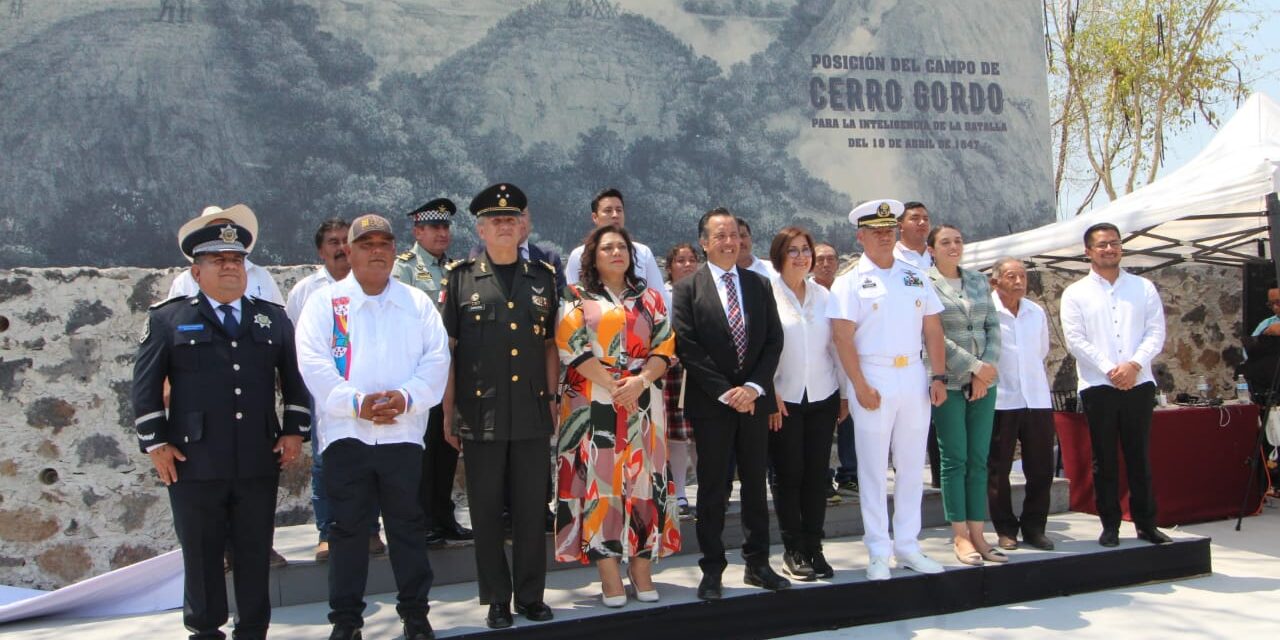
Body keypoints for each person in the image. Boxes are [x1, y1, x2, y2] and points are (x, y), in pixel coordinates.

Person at [132, 215, 310, 640]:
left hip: (256, 457)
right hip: (194, 460)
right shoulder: (168, 320)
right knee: (202, 554)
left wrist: (293, 431)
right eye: (217, 259)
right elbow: (145, 388)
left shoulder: (272, 319)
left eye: (237, 259)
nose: (230, 266)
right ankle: (205, 631)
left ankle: (253, 630)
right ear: (196, 271)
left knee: (253, 552)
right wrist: (156, 444)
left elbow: (295, 380)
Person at [294, 214, 449, 640]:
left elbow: (436, 362)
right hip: (348, 436)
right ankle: (346, 622)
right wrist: (356, 403)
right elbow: (313, 363)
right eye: (366, 244)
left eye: (384, 243)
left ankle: (415, 615)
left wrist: (407, 398)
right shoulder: (325, 304)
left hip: (402, 435)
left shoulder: (416, 303)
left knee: (408, 529)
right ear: (350, 251)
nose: (376, 251)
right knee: (348, 534)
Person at [441, 183, 560, 630]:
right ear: (482, 228)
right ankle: (496, 597)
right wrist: (448, 412)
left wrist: (551, 399)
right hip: (480, 413)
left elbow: (550, 346)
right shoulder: (460, 279)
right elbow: (448, 351)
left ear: (522, 225)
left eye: (512, 218)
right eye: (496, 220)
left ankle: (531, 595)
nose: (505, 225)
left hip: (531, 411)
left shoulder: (543, 278)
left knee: (532, 508)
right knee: (487, 512)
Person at [553, 225, 680, 607]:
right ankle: (607, 570)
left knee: (644, 481)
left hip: (643, 401)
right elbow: (569, 345)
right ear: (592, 256)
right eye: (607, 247)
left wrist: (639, 382)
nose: (615, 252)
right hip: (591, 402)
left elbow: (666, 347)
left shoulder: (652, 298)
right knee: (599, 483)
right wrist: (614, 386)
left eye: (621, 246)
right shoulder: (574, 296)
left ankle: (641, 567)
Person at [828, 199, 949, 581]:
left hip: (912, 374)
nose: (884, 237)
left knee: (913, 465)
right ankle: (878, 549)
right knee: (874, 469)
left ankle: (909, 545)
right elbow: (842, 338)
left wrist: (939, 376)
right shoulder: (849, 282)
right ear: (860, 236)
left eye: (889, 230)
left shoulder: (915, 276)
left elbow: (932, 329)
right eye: (875, 231)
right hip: (873, 377)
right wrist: (858, 385)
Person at [672, 207, 789, 601]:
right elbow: (688, 346)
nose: (729, 242)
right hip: (712, 404)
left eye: (734, 235)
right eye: (719, 236)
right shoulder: (688, 288)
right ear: (704, 243)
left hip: (754, 402)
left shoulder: (759, 284)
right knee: (712, 488)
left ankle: (758, 563)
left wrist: (754, 388)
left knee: (756, 484)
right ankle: (712, 568)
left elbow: (774, 340)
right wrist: (726, 391)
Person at [1060, 222, 1170, 547]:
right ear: (1088, 252)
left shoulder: (1143, 288)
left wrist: (1134, 365)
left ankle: (1146, 524)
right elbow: (1075, 341)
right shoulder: (1075, 293)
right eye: (1102, 244)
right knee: (1104, 458)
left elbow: (1156, 332)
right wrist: (1111, 369)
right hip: (1098, 385)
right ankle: (1110, 525)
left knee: (1139, 456)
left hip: (1139, 382)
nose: (1109, 249)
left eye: (1114, 243)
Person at [286, 218, 387, 562]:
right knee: (324, 464)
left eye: (347, 240)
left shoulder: (377, 287)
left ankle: (371, 530)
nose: (340, 247)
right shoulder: (307, 292)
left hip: (371, 394)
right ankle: (328, 532)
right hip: (328, 395)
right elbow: (296, 348)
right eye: (333, 241)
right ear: (321, 250)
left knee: (373, 459)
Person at [392, 198, 475, 548]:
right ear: (417, 231)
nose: (441, 233)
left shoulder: (458, 269)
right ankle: (421, 519)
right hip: (418, 372)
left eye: (445, 227)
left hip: (453, 371)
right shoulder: (405, 269)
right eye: (433, 228)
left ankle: (443, 516)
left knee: (447, 446)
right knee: (421, 449)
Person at [766, 227, 843, 581]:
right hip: (784, 400)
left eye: (805, 250)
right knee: (788, 475)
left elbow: (837, 347)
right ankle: (793, 549)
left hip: (823, 396)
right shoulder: (767, 294)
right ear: (779, 256)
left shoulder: (824, 297)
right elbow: (756, 349)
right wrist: (767, 390)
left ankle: (815, 546)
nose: (801, 257)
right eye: (793, 251)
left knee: (816, 476)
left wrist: (843, 394)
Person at [925, 224, 1004, 566]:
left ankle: (978, 532)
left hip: (984, 383)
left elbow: (993, 327)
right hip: (950, 382)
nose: (953, 246)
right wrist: (973, 366)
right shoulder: (924, 282)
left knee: (979, 460)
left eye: (958, 240)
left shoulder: (977, 280)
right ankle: (959, 534)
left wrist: (986, 370)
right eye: (945, 242)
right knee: (954, 459)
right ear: (931, 249)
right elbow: (933, 334)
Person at [987, 257, 1057, 551]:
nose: (1019, 282)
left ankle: (1034, 527)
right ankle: (1005, 528)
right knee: (998, 469)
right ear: (995, 281)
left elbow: (1041, 350)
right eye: (1012, 277)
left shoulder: (1035, 312)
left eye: (1023, 277)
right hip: (1001, 399)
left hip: (1037, 398)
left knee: (1041, 468)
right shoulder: (987, 312)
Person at [565, 187, 668, 307]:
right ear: (595, 217)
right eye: (608, 211)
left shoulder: (643, 253)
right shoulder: (579, 255)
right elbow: (571, 301)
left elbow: (660, 300)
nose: (615, 215)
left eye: (619, 210)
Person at [167, 205, 285, 305]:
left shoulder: (262, 276)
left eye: (228, 228)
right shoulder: (184, 282)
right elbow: (174, 319)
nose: (223, 233)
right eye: (218, 260)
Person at [815, 242, 858, 500]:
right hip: (817, 372)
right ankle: (822, 478)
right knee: (821, 431)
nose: (826, 264)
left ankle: (849, 476)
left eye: (831, 259)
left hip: (846, 369)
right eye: (820, 259)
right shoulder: (806, 293)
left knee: (848, 422)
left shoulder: (845, 292)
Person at [664, 243, 701, 519]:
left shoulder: (706, 290)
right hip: (672, 371)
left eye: (692, 259)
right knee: (676, 436)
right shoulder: (663, 294)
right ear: (670, 266)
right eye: (680, 260)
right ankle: (678, 494)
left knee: (702, 436)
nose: (687, 265)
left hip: (702, 369)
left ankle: (708, 492)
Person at [470, 202, 567, 293]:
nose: (518, 221)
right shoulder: (479, 254)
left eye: (521, 214)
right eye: (510, 217)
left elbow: (561, 302)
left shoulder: (549, 259)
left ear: (530, 221)